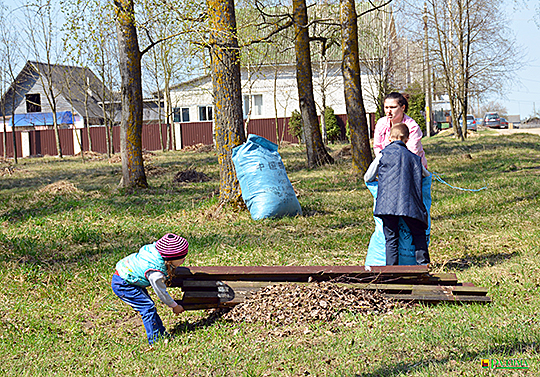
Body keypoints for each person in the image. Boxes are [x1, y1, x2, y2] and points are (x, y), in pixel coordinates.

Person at [364, 123, 430, 266]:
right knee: (418, 233)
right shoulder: (414, 158)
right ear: (407, 139)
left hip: (386, 205)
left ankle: (392, 270)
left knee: (391, 238)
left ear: (389, 138)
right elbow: (426, 175)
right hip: (409, 204)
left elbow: (367, 177)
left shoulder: (382, 155)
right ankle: (423, 266)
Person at [111, 233, 188, 346]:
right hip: (124, 284)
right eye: (181, 258)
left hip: (128, 274)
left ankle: (162, 334)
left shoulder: (156, 249)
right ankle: (155, 341)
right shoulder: (156, 274)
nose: (184, 260)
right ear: (169, 260)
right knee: (147, 308)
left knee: (149, 306)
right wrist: (175, 306)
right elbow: (161, 293)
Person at [373, 92, 428, 168]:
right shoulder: (381, 124)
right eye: (386, 107)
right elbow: (377, 147)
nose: (388, 111)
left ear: (402, 108)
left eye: (393, 107)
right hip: (387, 167)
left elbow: (412, 152)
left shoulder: (412, 127)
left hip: (411, 167)